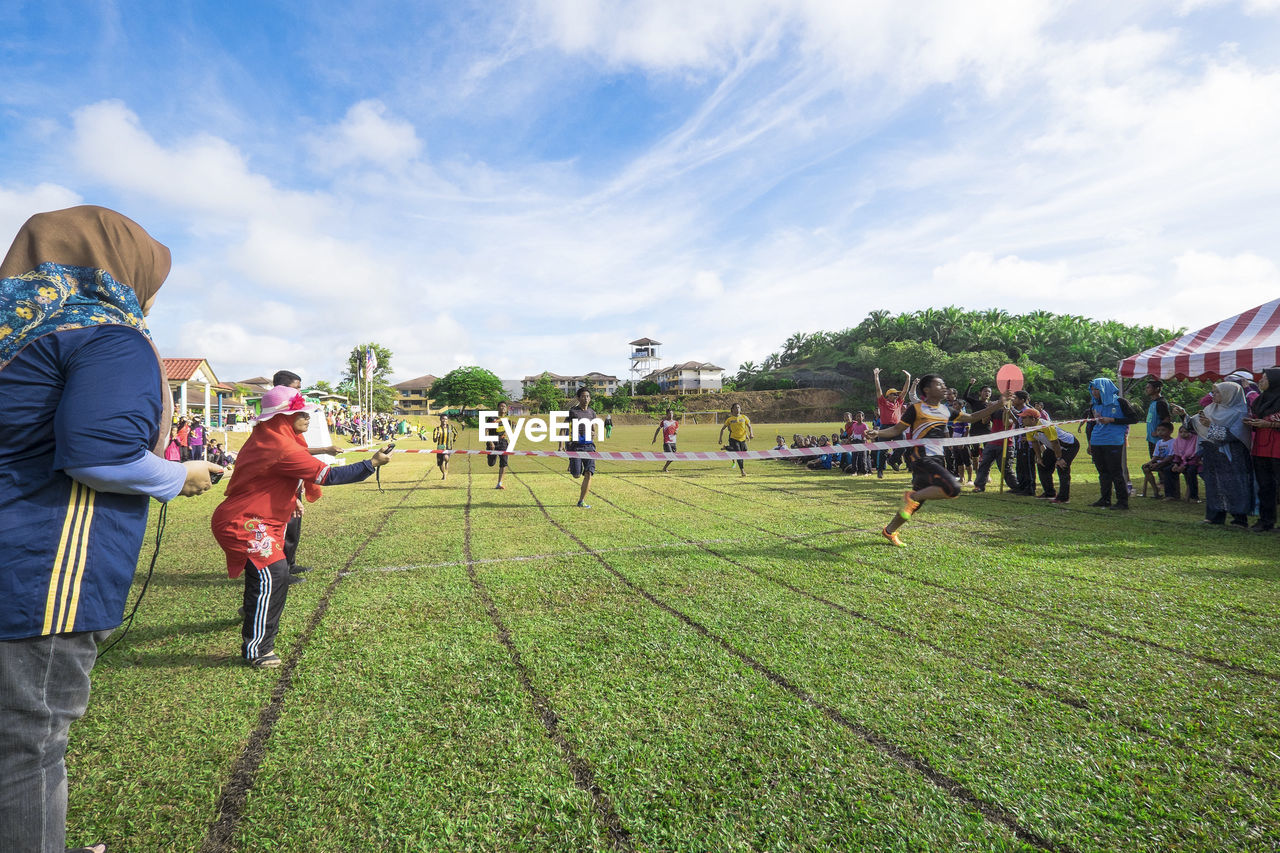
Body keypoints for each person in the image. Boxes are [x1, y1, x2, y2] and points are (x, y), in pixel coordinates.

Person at [1, 205, 223, 853]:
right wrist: (179, 477)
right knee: (30, 739)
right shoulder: (107, 334)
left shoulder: (21, 335)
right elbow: (100, 452)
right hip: (39, 573)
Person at [211, 386, 391, 668]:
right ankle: (258, 649)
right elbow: (327, 475)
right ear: (282, 416)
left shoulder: (269, 438)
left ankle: (251, 612)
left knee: (265, 575)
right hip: (245, 522)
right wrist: (371, 464)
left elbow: (265, 476)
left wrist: (290, 499)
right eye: (299, 412)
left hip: (252, 517)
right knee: (273, 573)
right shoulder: (281, 445)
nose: (307, 416)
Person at [866, 374, 1007, 546]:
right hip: (921, 456)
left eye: (944, 384)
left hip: (937, 458)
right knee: (953, 488)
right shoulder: (916, 409)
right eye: (939, 384)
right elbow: (896, 429)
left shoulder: (946, 410)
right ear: (927, 390)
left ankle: (889, 531)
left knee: (916, 503)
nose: (943, 387)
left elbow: (971, 418)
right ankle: (912, 496)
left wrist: (999, 404)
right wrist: (878, 433)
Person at [272, 369, 341, 586]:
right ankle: (279, 573)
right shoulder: (276, 423)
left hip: (295, 484)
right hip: (279, 490)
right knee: (281, 531)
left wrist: (324, 449)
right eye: (296, 388)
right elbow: (288, 454)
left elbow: (297, 452)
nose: (300, 393)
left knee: (293, 528)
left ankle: (289, 564)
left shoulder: (292, 427)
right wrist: (371, 465)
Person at [1189, 381, 1253, 527]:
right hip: (1212, 452)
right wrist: (1183, 416)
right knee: (1213, 484)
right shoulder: (1211, 408)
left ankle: (1239, 519)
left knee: (1234, 484)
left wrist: (1210, 426)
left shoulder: (1240, 412)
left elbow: (1234, 435)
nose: (1213, 395)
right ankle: (1214, 517)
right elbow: (1193, 425)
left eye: (1217, 392)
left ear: (1228, 394)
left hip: (1232, 455)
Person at [1086, 378, 1139, 510]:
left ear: (1105, 388)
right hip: (1097, 441)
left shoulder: (1120, 402)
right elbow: (1091, 425)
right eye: (1092, 389)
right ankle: (1105, 499)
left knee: (1115, 471)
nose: (1094, 392)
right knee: (1102, 471)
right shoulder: (1094, 404)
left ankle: (1122, 501)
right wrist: (1090, 443)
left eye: (1096, 389)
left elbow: (1134, 419)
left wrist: (1112, 420)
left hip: (1113, 441)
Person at [1243, 367, 1280, 532]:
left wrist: (1269, 424)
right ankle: (1266, 520)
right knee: (1265, 486)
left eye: (1264, 378)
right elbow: (1257, 416)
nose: (1260, 381)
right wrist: (1251, 422)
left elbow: (1269, 422)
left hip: (1278, 449)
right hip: (1261, 448)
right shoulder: (1260, 400)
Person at [1020, 409, 1080, 503]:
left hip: (1069, 446)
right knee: (1042, 465)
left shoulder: (1045, 426)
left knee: (1062, 468)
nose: (1021, 419)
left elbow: (1055, 442)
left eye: (1024, 417)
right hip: (1052, 447)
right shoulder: (1029, 428)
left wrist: (1059, 459)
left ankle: (1063, 498)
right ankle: (1049, 492)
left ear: (1033, 419)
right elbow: (1035, 443)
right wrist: (1039, 458)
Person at [563, 387, 600, 507]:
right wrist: (561, 445)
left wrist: (594, 435)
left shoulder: (592, 412)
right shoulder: (573, 412)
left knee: (589, 472)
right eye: (583, 396)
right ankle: (572, 463)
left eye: (588, 396)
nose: (586, 398)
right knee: (576, 474)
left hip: (589, 446)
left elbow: (594, 429)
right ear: (578, 398)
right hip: (575, 447)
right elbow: (563, 428)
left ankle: (581, 501)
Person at [872, 367, 910, 477]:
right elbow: (878, 390)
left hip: (897, 427)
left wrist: (908, 378)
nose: (896, 395)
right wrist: (876, 376)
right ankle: (880, 470)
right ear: (888, 395)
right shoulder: (883, 402)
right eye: (894, 394)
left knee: (902, 447)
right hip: (885, 427)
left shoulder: (898, 402)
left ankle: (892, 461)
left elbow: (905, 391)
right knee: (883, 449)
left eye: (896, 394)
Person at [1139, 422, 1176, 498]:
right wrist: (1150, 462)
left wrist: (1158, 464)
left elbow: (1170, 457)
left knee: (1164, 469)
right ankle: (1155, 489)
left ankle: (1170, 493)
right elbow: (1155, 456)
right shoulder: (1159, 442)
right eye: (1158, 430)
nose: (1160, 432)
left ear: (1170, 431)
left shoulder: (1173, 442)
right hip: (1159, 462)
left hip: (1168, 462)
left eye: (1163, 430)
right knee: (1145, 467)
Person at [718, 402, 754, 477]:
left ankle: (726, 447)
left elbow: (749, 426)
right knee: (739, 454)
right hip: (734, 439)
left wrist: (750, 434)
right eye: (736, 408)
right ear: (732, 410)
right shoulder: (730, 419)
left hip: (742, 439)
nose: (737, 409)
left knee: (744, 451)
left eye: (739, 407)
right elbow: (723, 429)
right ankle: (742, 471)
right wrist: (720, 438)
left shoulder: (744, 417)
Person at [1169, 423, 1201, 503]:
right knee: (1168, 470)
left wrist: (1184, 465)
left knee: (1191, 471)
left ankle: (1194, 496)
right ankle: (1171, 495)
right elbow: (1177, 455)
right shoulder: (1178, 440)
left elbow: (1196, 457)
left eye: (1186, 432)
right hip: (1181, 462)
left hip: (1193, 463)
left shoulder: (1196, 440)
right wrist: (1176, 464)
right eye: (1181, 432)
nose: (1183, 434)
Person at [1143, 378, 1173, 456]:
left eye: (1148, 387)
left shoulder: (1161, 403)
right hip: (1152, 438)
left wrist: (1158, 432)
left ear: (1156, 389)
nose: (1146, 389)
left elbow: (1166, 419)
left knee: (1158, 462)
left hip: (1159, 440)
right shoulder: (1154, 402)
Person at [487, 400, 512, 489]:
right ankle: (491, 458)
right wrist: (490, 442)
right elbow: (486, 430)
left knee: (504, 463)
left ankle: (500, 483)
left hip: (503, 443)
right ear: (498, 407)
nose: (503, 408)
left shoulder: (508, 420)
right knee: (491, 463)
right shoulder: (492, 418)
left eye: (504, 406)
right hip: (492, 441)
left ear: (507, 409)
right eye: (501, 406)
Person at [432, 413, 460, 481]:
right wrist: (437, 436)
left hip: (448, 447)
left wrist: (453, 440)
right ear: (440, 419)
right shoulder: (437, 429)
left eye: (446, 419)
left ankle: (445, 473)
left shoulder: (451, 427)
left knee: (446, 457)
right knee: (440, 463)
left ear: (447, 420)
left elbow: (456, 434)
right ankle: (444, 473)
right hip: (440, 447)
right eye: (443, 419)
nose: (444, 420)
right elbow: (434, 440)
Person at [652, 408, 679, 472]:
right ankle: (664, 468)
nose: (671, 415)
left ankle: (664, 468)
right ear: (667, 414)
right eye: (670, 413)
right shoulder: (664, 422)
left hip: (674, 442)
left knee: (673, 457)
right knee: (671, 456)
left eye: (672, 413)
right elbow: (658, 429)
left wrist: (676, 431)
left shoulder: (675, 422)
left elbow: (677, 429)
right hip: (667, 442)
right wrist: (654, 438)